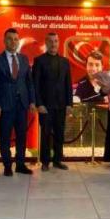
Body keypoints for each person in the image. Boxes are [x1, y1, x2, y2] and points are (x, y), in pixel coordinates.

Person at [0, 28, 37, 176]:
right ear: (4, 41)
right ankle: (7, 166)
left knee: (22, 136)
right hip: (5, 105)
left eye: (16, 39)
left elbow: (29, 82)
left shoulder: (23, 59)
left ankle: (20, 164)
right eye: (10, 39)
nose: (13, 42)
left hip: (22, 104)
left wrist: (32, 101)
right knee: (5, 136)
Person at [32, 32, 73, 171]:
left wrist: (69, 104)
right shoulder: (39, 61)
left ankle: (57, 160)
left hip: (61, 105)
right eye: (50, 41)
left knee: (59, 134)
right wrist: (39, 104)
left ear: (58, 42)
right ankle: (45, 161)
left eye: (55, 41)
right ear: (46, 42)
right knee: (45, 135)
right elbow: (35, 84)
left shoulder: (65, 62)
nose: (53, 44)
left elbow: (68, 84)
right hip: (46, 106)